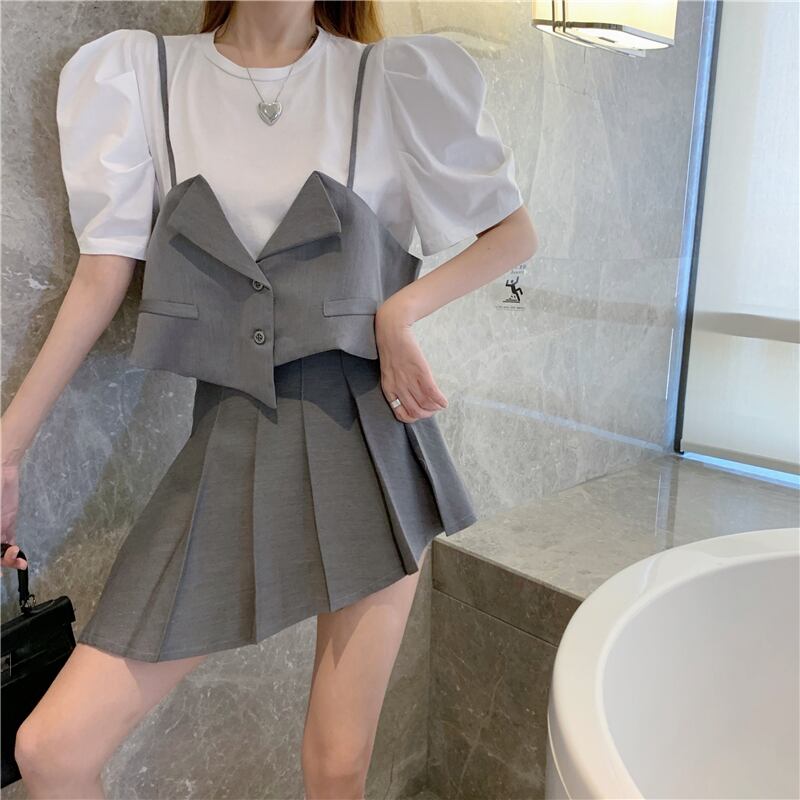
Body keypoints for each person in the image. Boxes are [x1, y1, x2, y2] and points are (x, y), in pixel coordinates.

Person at [0, 1, 538, 798]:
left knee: (335, 765)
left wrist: (399, 312)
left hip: (368, 445)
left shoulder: (388, 80)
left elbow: (513, 235)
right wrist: (8, 450)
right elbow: (103, 272)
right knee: (52, 750)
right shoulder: (148, 76)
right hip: (229, 437)